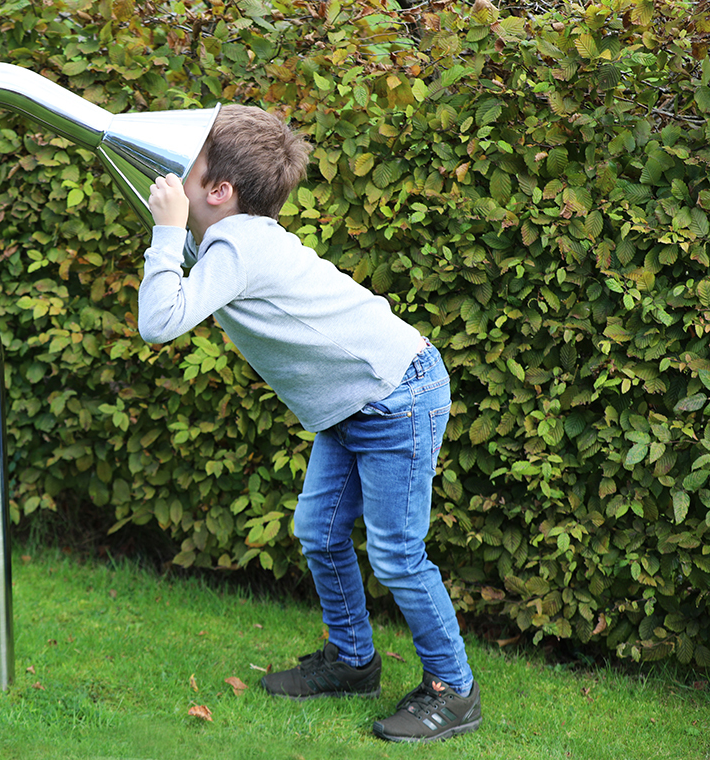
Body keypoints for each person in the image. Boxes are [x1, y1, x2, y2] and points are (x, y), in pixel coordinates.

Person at [136, 104, 481, 743]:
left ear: (220, 192)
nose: (175, 177)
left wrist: (163, 234)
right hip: (356, 405)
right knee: (319, 534)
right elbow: (179, 270)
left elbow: (159, 321)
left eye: (189, 168)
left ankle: (453, 690)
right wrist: (169, 223)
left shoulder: (239, 243)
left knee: (398, 556)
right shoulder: (231, 238)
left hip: (397, 397)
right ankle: (353, 663)